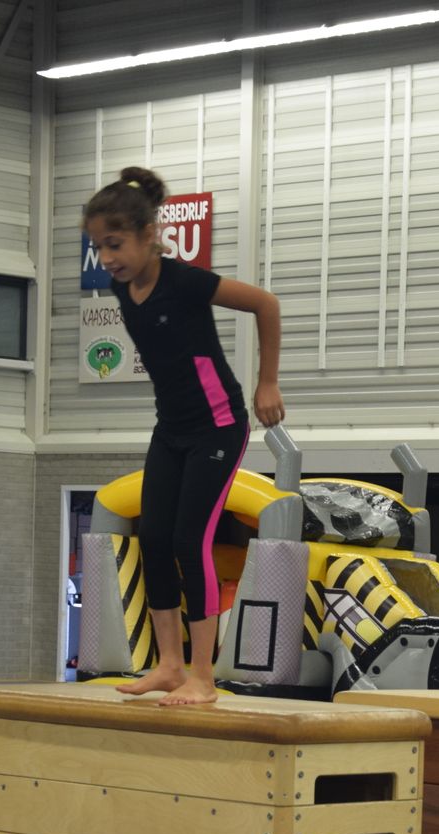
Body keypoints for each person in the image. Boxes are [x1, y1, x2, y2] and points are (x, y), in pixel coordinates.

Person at [86, 166, 285, 707]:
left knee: (188, 541)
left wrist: (267, 382)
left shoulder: (184, 281)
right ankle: (170, 665)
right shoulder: (121, 287)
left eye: (115, 244)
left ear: (149, 234)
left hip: (217, 424)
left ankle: (203, 675)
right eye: (99, 246)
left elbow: (265, 304)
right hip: (171, 429)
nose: (106, 257)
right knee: (152, 538)